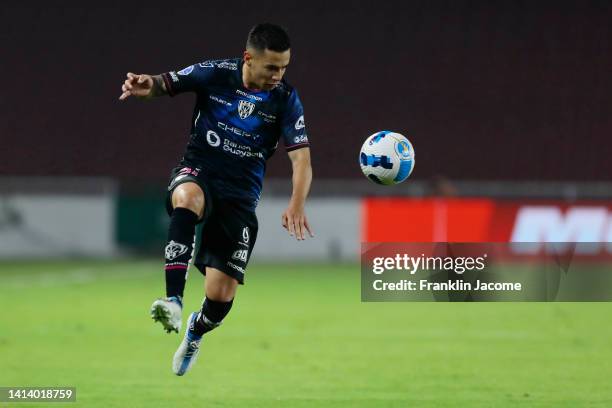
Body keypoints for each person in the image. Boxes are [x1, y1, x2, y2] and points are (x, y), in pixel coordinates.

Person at [119, 23, 313, 376]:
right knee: (187, 197)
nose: (278, 75)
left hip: (240, 197)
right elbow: (164, 83)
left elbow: (301, 159)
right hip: (200, 169)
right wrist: (146, 85)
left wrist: (297, 203)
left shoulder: (285, 99)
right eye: (271, 67)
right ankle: (173, 300)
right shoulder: (215, 73)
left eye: (284, 67)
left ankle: (195, 330)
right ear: (248, 58)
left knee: (221, 297)